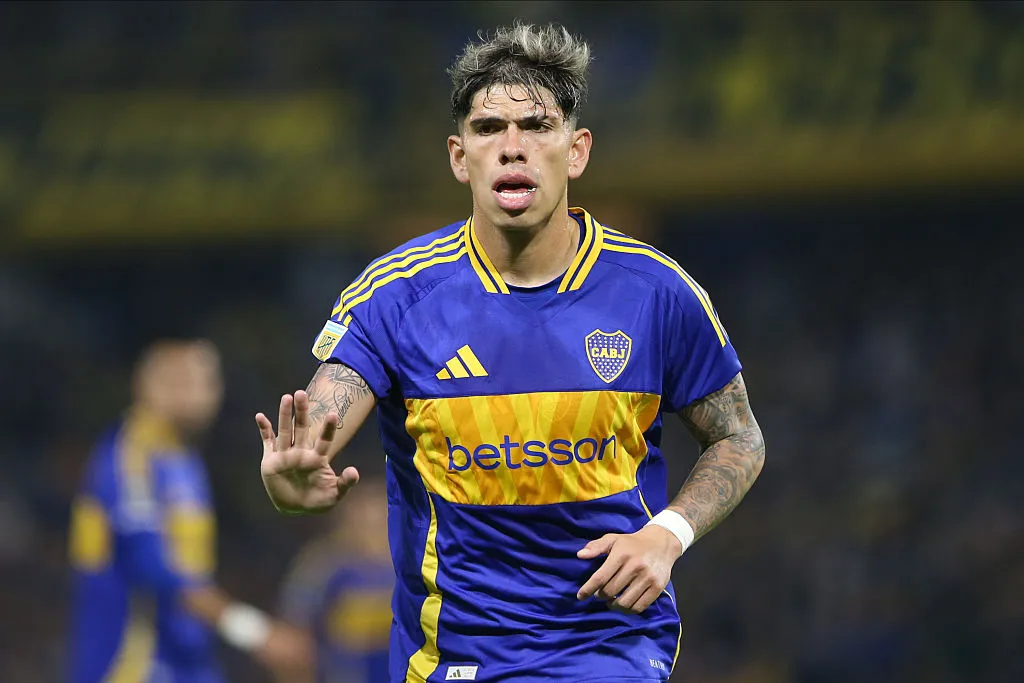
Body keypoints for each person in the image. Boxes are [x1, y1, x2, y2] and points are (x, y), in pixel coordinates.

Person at [256, 21, 765, 683]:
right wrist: (293, 476)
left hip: (608, 647)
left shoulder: (656, 294)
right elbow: (323, 418)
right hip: (452, 659)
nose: (512, 148)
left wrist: (668, 533)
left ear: (576, 150)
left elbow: (739, 436)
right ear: (459, 156)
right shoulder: (396, 296)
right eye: (489, 129)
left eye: (537, 126)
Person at [67, 339, 312, 683]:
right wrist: (255, 632)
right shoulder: (130, 458)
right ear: (145, 386)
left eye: (208, 381)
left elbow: (193, 573)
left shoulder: (183, 459)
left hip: (187, 659)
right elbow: (157, 573)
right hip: (133, 661)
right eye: (180, 381)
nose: (199, 394)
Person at [276, 476, 393, 683]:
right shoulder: (321, 565)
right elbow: (293, 640)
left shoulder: (416, 565)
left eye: (380, 521)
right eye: (363, 521)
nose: (373, 532)